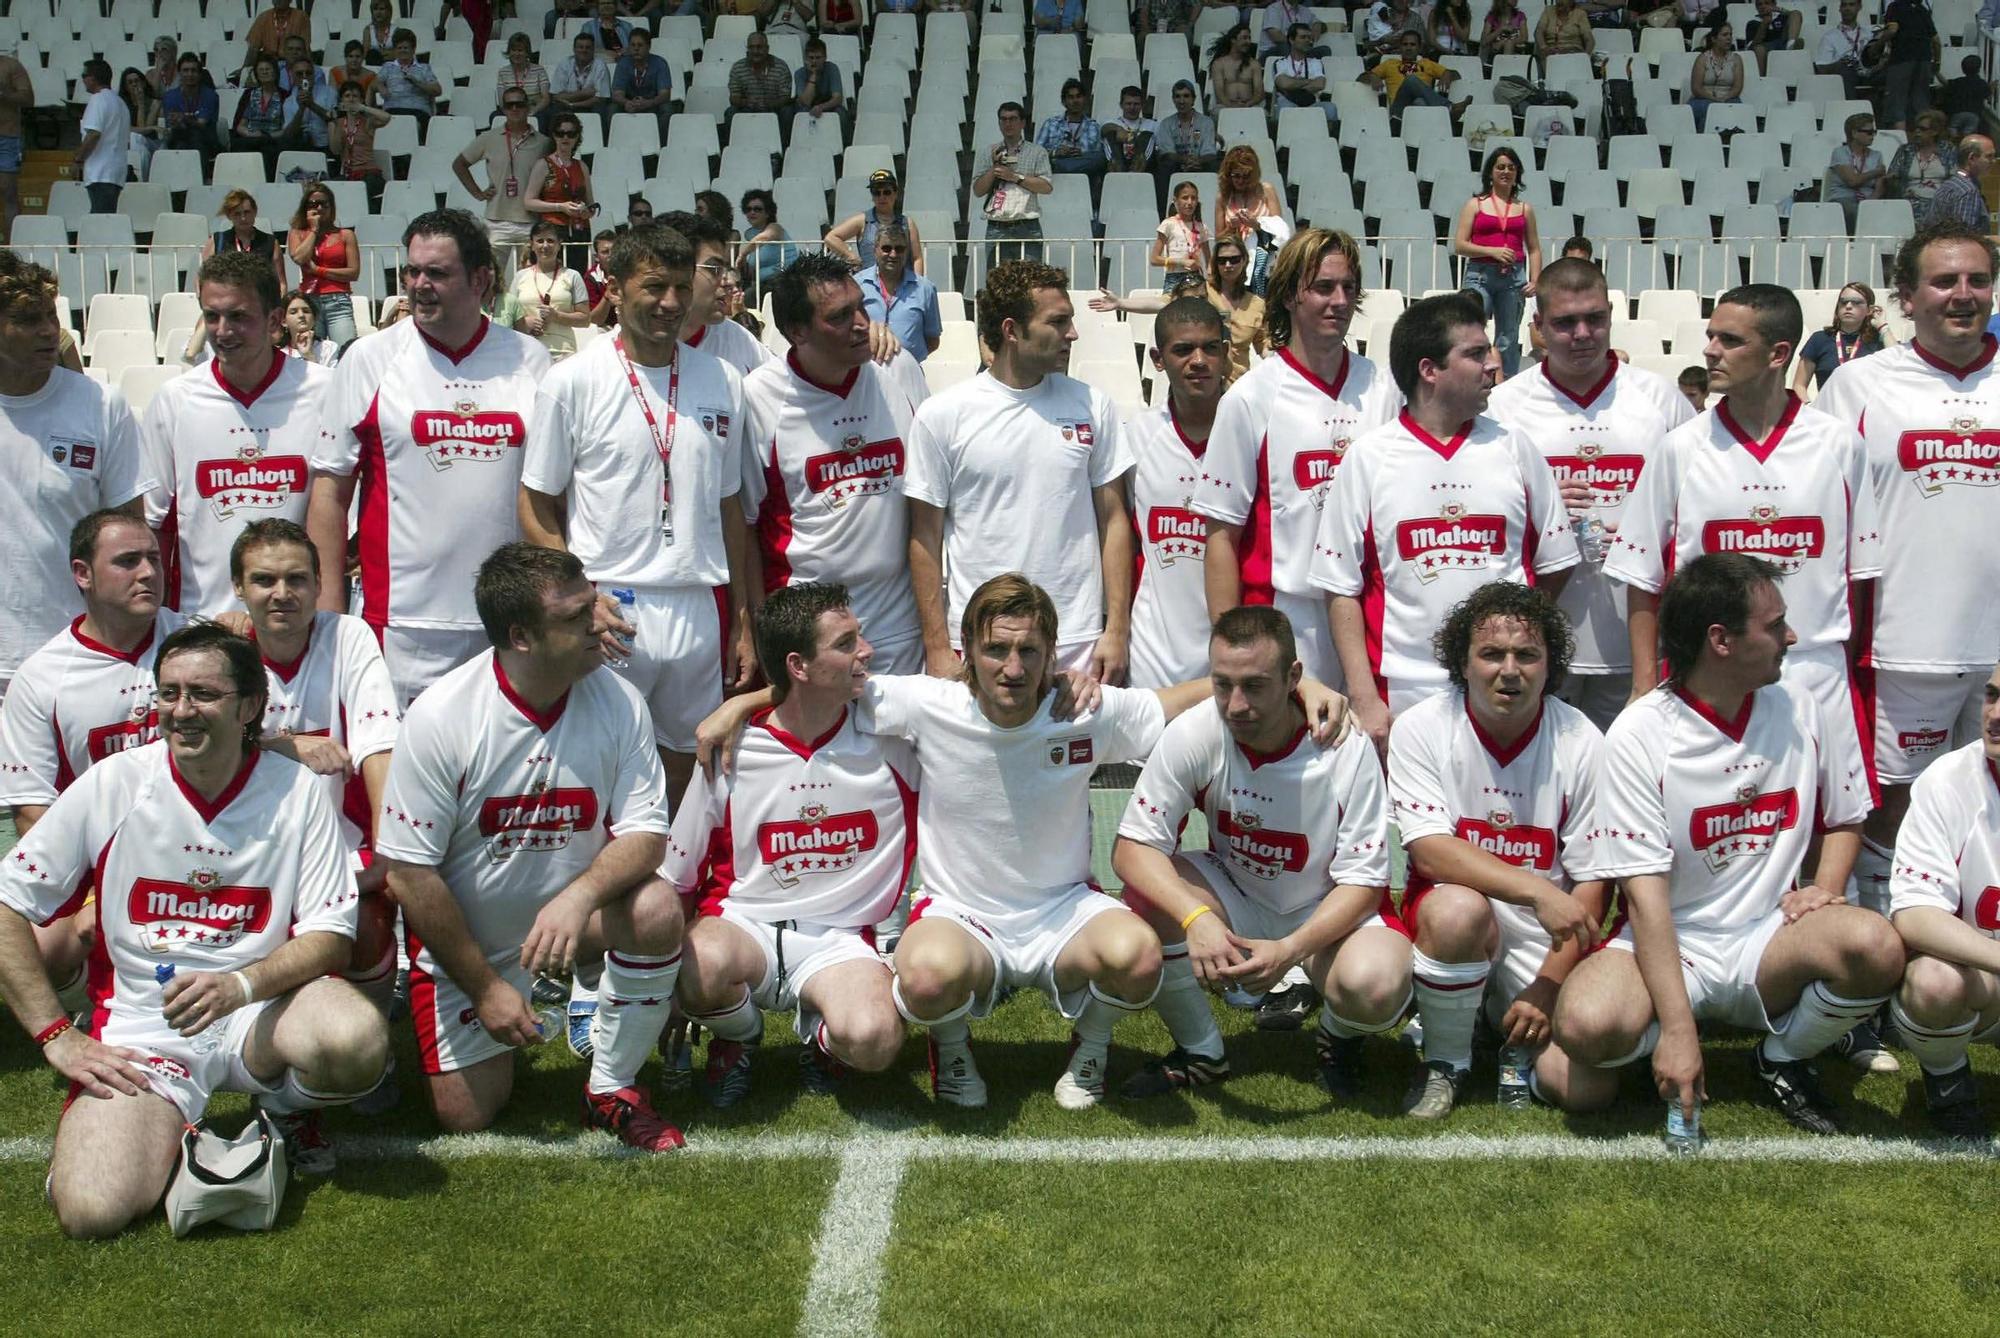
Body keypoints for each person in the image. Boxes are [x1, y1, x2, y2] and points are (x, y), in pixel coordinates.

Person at [0, 620, 389, 1235]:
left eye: (203, 694)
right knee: (91, 1214)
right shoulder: (116, 782)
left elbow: (330, 934)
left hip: (257, 1011)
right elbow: (5, 903)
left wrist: (240, 984)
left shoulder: (298, 791)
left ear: (251, 707)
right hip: (145, 1028)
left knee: (355, 1040)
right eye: (169, 693)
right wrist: (55, 1036)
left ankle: (284, 1109)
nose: (182, 711)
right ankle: (155, 1132)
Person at [1547, 554, 1901, 1134]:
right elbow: (1645, 899)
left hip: (1770, 940)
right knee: (1587, 1034)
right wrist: (1681, 1034)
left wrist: (1826, 892)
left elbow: (1844, 819)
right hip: (1672, 942)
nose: (1791, 636)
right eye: (1773, 625)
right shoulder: (1640, 734)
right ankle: (1657, 1035)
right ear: (1720, 640)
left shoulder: (1803, 704)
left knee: (1876, 945)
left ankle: (1781, 1058)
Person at [1604, 288, 1883, 1021]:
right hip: (1709, 681)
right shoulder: (1680, 449)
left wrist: (1850, 676)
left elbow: (1864, 577)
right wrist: (1643, 685)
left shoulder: (1838, 446)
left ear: (1779, 353)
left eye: (1730, 340)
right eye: (1711, 336)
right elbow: (1642, 579)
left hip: (1813, 668)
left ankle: (1827, 1009)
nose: (1712, 351)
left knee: (1830, 852)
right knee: (1713, 835)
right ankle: (1681, 975)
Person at [376, 543, 685, 1147]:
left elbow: (647, 835)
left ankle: (611, 1086)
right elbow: (409, 875)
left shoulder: (619, 700)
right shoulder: (442, 716)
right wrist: (487, 988)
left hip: (575, 921)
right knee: (465, 1116)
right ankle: (466, 1008)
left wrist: (580, 897)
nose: (600, 622)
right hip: (474, 946)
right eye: (575, 617)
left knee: (655, 909)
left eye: (591, 603)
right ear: (521, 637)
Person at [1113, 601, 1397, 1098]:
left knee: (1377, 986)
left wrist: (1290, 952)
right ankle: (1202, 1052)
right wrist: (1194, 919)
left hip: (1324, 912)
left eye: (1254, 685)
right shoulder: (1199, 730)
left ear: (1294, 678)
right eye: (1222, 684)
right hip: (1238, 896)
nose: (1236, 704)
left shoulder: (1341, 747)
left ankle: (1338, 1034)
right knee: (1142, 902)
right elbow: (1132, 848)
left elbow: (1366, 884)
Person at [520, 222, 754, 804]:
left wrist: (746, 619)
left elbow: (730, 510)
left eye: (680, 286)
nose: (670, 303)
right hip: (611, 604)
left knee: (687, 763)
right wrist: (579, 597)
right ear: (615, 289)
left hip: (697, 604)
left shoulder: (723, 380)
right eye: (654, 286)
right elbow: (534, 504)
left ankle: (666, 888)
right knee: (597, 764)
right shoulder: (571, 381)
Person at [1815, 223, 2000, 957]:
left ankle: (1969, 948)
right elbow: (1825, 501)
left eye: (1977, 281)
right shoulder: (1859, 384)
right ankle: (1892, 949)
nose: (1963, 295)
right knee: (1895, 807)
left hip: (1999, 657)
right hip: (1902, 643)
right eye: (1944, 281)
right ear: (1906, 296)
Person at [667, 582, 914, 1101]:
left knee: (875, 1042)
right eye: (846, 643)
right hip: (743, 926)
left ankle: (823, 1040)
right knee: (691, 966)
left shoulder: (897, 739)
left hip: (841, 937)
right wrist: (666, 990)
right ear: (799, 666)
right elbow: (677, 874)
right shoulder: (733, 747)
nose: (866, 652)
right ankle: (739, 1036)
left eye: (859, 637)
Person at [1378, 582, 1608, 1117]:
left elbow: (1595, 884)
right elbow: (1432, 853)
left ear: (1551, 664)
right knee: (1458, 907)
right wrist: (1534, 889)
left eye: (1527, 654)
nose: (1510, 669)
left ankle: (1483, 1016)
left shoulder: (1583, 741)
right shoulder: (1422, 727)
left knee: (1582, 1091)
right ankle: (1446, 1061)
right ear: (1464, 661)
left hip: (1548, 936)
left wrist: (1548, 989)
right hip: (1457, 919)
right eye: (1491, 654)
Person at [1314, 291, 1580, 751]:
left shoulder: (1515, 448)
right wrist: (1363, 695)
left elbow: (1556, 563)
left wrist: (1508, 633)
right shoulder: (1369, 458)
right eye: (1474, 354)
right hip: (1403, 691)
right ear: (1429, 370)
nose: (1492, 365)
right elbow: (1340, 588)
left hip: (1505, 690)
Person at [309, 209, 553, 709]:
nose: (419, 285)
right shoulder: (368, 358)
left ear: (481, 279)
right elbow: (330, 495)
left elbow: (550, 495)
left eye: (437, 273)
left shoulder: (531, 359)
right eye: (411, 272)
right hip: (400, 627)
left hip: (507, 623)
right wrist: (329, 613)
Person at [1487, 258, 1695, 732]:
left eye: (1594, 319)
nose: (1582, 333)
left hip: (1635, 640)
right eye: (1564, 322)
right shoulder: (1505, 406)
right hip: (1536, 641)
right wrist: (1536, 501)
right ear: (1537, 326)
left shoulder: (1660, 400)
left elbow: (1696, 506)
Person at [908, 261, 1135, 682]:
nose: (1073, 333)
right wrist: (937, 647)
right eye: (1058, 322)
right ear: (1011, 330)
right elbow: (924, 537)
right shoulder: (942, 416)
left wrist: (1116, 629)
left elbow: (1115, 520)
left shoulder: (1093, 406)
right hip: (980, 640)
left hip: (1077, 638)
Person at [1195, 229, 1400, 692]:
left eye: (1348, 287)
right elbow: (1221, 535)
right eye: (1324, 287)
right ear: (1288, 296)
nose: (1340, 301)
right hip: (1287, 619)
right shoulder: (1250, 398)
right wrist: (1232, 646)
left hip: (1371, 613)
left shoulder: (1385, 389)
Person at [230, 520, 403, 1053]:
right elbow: (193, 755)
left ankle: (370, 1042)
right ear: (239, 587)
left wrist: (392, 849)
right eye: (264, 580)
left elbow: (378, 745)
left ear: (319, 581)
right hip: (245, 856)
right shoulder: (221, 649)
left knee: (370, 925)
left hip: (340, 850)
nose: (281, 594)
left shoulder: (348, 636)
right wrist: (285, 746)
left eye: (297, 579)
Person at [0, 512, 184, 1002]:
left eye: (153, 558)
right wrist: (107, 884)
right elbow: (33, 813)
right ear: (82, 573)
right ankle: (83, 993)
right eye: (127, 561)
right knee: (33, 947)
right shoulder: (42, 679)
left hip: (200, 846)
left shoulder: (197, 644)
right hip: (93, 865)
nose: (148, 572)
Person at [738, 253, 928, 690]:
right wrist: (754, 630)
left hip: (899, 619)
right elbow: (745, 526)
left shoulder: (896, 368)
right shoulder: (759, 397)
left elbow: (928, 500)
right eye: (841, 316)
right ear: (797, 331)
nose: (862, 323)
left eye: (861, 307)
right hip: (810, 628)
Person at [141, 254, 328, 616]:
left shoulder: (324, 391)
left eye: (238, 316)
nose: (222, 331)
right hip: (200, 624)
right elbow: (155, 525)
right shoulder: (174, 401)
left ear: (274, 320)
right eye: (212, 316)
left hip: (297, 627)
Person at [0, 255, 148, 705]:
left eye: (52, 315)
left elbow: (130, 536)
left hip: (78, 655)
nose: (49, 331)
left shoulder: (102, 406)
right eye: (29, 320)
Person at [1883, 659, 2000, 1137]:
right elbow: (1914, 915)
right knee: (1933, 982)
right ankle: (1947, 1077)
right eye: (1991, 695)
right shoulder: (1948, 779)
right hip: (1988, 987)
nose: (1995, 714)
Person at [1123, 299, 1232, 689]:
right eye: (1183, 349)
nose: (1198, 360)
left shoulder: (1252, 434)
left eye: (1210, 347)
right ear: (1157, 358)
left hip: (1234, 652)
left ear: (1226, 353)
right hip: (1154, 651)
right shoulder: (1137, 437)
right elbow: (1121, 539)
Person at [1092, 231, 1269, 380]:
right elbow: (1162, 303)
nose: (1228, 265)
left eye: (1234, 259)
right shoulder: (1200, 290)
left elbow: (1263, 346)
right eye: (1222, 261)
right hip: (1203, 382)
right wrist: (1121, 303)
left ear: (1245, 260)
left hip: (1238, 385)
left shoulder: (1257, 304)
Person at [1452, 148, 1541, 381]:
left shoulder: (1524, 209)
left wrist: (1536, 280)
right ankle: (1470, 376)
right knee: (1471, 328)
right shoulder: (1475, 205)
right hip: (1480, 274)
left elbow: (1534, 247)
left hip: (1513, 278)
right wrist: (1492, 251)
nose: (1506, 171)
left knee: (1508, 336)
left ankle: (1505, 384)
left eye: (1511, 167)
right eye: (1500, 167)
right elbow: (1460, 245)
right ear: (1490, 172)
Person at [454, 93, 552, 278]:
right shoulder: (488, 138)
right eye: (509, 105)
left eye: (519, 104)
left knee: (530, 281)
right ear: (503, 108)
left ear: (529, 107)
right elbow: (459, 164)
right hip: (496, 220)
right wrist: (477, 193)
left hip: (530, 221)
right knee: (490, 278)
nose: (515, 109)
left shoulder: (544, 143)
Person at [972, 102, 1053, 270]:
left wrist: (1015, 177)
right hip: (997, 225)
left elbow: (1046, 186)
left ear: (1022, 123)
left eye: (1013, 119)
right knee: (997, 284)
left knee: (1032, 283)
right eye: (1003, 119)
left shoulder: (1038, 152)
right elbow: (978, 190)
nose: (1008, 124)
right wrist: (994, 169)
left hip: (1027, 224)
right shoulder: (988, 152)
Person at [286, 184, 359, 349]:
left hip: (338, 301)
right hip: (309, 301)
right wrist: (313, 230)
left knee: (345, 351)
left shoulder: (345, 235)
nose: (319, 208)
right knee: (310, 353)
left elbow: (353, 273)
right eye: (313, 204)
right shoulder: (297, 233)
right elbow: (299, 257)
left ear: (331, 207)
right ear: (305, 207)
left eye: (324, 204)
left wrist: (318, 270)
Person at [857, 224, 943, 363]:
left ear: (906, 252)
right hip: (867, 371)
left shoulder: (925, 289)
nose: (893, 254)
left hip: (909, 374)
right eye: (886, 248)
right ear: (875, 250)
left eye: (899, 249)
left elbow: (932, 340)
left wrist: (905, 361)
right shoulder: (857, 285)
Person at [1791, 284, 1892, 395]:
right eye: (1843, 302)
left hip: (1865, 410)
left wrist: (1883, 327)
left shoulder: (1877, 341)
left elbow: (1898, 362)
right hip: (1827, 410)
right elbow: (1799, 385)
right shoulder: (1819, 339)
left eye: (1856, 302)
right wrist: (1810, 407)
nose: (1848, 306)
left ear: (1869, 310)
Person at [511, 220, 591, 359]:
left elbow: (585, 319)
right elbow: (509, 316)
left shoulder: (572, 276)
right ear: (532, 245)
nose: (545, 246)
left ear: (559, 244)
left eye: (550, 240)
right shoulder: (520, 276)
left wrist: (557, 316)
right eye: (540, 241)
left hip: (563, 352)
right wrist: (525, 323)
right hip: (526, 352)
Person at [1212, 145, 1284, 294]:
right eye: (1236, 175)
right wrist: (1232, 227)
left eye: (1245, 176)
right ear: (1228, 174)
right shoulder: (1223, 198)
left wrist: (1256, 224)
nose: (1240, 180)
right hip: (1235, 266)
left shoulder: (1267, 191)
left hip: (1264, 264)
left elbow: (1280, 229)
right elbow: (1219, 238)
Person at [826, 169, 925, 277]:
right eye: (877, 193)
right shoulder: (862, 221)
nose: (882, 197)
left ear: (895, 193)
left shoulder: (908, 223)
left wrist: (917, 284)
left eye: (887, 192)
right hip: (870, 285)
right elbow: (831, 238)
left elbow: (917, 258)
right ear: (872, 196)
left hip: (903, 285)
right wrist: (851, 257)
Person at [524, 111, 596, 252]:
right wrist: (560, 207)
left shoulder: (582, 166)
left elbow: (591, 205)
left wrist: (586, 211)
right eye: (560, 133)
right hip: (552, 231)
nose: (565, 137)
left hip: (579, 229)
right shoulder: (543, 164)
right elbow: (528, 202)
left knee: (578, 272)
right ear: (554, 135)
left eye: (571, 133)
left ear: (577, 137)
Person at [1365, 30, 1466, 122]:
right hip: (1398, 110)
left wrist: (1447, 73)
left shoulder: (1427, 63)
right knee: (1411, 79)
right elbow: (1360, 78)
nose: (1408, 48)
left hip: (1422, 109)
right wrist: (1372, 75)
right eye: (1405, 44)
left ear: (1419, 48)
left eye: (1412, 44)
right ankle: (1448, 109)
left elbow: (1457, 75)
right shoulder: (1390, 64)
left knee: (1420, 101)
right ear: (1400, 47)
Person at [1036, 78, 1106, 207]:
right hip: (1056, 172)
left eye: (1078, 96)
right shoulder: (1051, 123)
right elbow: (1036, 153)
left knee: (1100, 157)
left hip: (1082, 174)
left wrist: (1082, 153)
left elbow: (1096, 157)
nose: (1075, 101)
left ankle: (1064, 166)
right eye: (1071, 97)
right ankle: (1062, 164)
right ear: (1064, 101)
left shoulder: (1093, 126)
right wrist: (1057, 152)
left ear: (1084, 99)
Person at [1151, 80, 1219, 209]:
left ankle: (1214, 209)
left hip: (1200, 163)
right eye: (1178, 96)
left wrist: (1197, 161)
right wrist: (1185, 160)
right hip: (1176, 164)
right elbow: (1167, 153)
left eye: (1186, 96)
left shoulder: (1206, 122)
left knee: (1214, 165)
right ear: (1173, 99)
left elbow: (1209, 152)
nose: (1182, 101)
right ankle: (1163, 211)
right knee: (1163, 167)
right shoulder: (1166, 123)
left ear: (1194, 99)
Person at [74, 59, 128, 215]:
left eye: (84, 75)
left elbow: (93, 134)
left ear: (93, 78)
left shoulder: (98, 99)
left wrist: (78, 159)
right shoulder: (120, 102)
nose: (83, 79)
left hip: (100, 172)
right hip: (116, 172)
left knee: (99, 223)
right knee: (106, 219)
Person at [1887, 110, 1957, 226]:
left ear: (1935, 131)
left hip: (1939, 199)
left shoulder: (1948, 149)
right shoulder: (1906, 150)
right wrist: (1898, 186)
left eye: (1922, 129)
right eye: (1916, 129)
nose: (1917, 132)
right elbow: (1892, 173)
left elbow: (1955, 177)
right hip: (1910, 199)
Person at [329, 81, 392, 209]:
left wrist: (363, 108)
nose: (351, 99)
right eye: (347, 96)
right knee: (328, 189)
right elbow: (335, 150)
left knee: (360, 190)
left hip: (369, 173)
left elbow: (386, 117)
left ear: (361, 99)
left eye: (355, 96)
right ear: (341, 100)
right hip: (349, 174)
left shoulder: (367, 122)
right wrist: (335, 125)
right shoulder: (336, 123)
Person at [201, 189, 284, 284]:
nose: (243, 218)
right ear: (229, 216)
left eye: (247, 212)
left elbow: (281, 283)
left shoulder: (270, 242)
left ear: (255, 212)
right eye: (237, 214)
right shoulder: (217, 241)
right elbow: (203, 279)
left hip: (260, 297)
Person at [1880, 0, 1938, 132]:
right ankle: (1925, 140)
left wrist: (1877, 46)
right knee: (1921, 102)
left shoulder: (1895, 6)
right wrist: (1937, 62)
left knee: (1897, 102)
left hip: (1902, 58)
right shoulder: (1923, 10)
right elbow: (1936, 40)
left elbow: (1892, 30)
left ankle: (1899, 142)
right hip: (1924, 60)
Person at [1825, 112, 1885, 233]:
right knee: (1853, 211)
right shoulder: (1840, 153)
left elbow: (1880, 187)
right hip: (1843, 198)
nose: (1872, 135)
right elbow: (1852, 181)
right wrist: (1875, 172)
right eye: (1868, 132)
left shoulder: (1876, 155)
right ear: (1854, 133)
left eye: (1874, 132)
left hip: (1868, 199)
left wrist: (1869, 204)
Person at [230, 57, 290, 178]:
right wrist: (251, 134)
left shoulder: (285, 95)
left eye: (268, 69)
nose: (264, 72)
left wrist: (268, 136)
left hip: (274, 138)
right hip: (251, 137)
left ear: (275, 72)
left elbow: (287, 127)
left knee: (269, 150)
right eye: (261, 70)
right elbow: (240, 126)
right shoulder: (249, 94)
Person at [738, 188, 800, 304]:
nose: (752, 212)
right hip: (764, 285)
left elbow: (764, 237)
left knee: (750, 296)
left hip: (785, 281)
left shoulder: (775, 228)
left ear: (767, 213)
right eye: (748, 209)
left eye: (757, 209)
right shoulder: (750, 234)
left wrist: (743, 254)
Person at [1815, 0, 1887, 99]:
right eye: (1844, 5)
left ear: (1859, 7)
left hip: (1869, 73)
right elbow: (1821, 68)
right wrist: (1840, 64)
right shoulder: (1829, 37)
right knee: (1846, 71)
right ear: (1840, 9)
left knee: (1893, 71)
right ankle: (1852, 108)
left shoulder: (1869, 34)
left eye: (1852, 5)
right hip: (1846, 74)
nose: (1847, 8)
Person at [611, 27, 674, 139]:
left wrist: (650, 103)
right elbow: (617, 94)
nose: (636, 49)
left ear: (648, 47)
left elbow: (665, 94)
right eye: (633, 45)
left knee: (667, 108)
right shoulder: (623, 63)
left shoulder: (660, 63)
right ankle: (614, 142)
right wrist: (626, 102)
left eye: (640, 45)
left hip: (652, 103)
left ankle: (660, 143)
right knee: (612, 108)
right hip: (629, 103)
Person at [1926, 134, 1994, 235]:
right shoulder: (1968, 191)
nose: (1993, 161)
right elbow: (1964, 236)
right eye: (1989, 156)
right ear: (1972, 158)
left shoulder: (1948, 184)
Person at [727, 33, 792, 138]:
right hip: (748, 108)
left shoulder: (781, 67)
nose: (755, 51)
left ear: (767, 48)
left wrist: (769, 104)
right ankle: (734, 145)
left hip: (774, 108)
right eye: (752, 47)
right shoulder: (738, 68)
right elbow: (733, 98)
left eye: (759, 47)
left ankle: (784, 147)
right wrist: (747, 102)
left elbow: (786, 98)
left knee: (787, 111)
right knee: (731, 112)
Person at [161, 53, 221, 168]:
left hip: (206, 140)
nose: (190, 74)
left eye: (193, 70)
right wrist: (183, 121)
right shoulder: (170, 96)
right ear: (179, 73)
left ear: (199, 74)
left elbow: (202, 124)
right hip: (179, 137)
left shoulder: (210, 95)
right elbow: (173, 125)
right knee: (180, 142)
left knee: (195, 136)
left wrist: (183, 118)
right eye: (185, 70)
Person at [375, 29, 442, 128]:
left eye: (406, 48)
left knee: (415, 125)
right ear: (394, 50)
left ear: (413, 49)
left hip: (418, 110)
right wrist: (382, 89)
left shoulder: (424, 68)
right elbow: (376, 82)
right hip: (393, 109)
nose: (402, 50)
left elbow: (437, 90)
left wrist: (417, 82)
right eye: (399, 48)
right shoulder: (388, 67)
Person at [1687, 23, 1743, 132]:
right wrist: (1715, 100)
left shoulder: (1736, 59)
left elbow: (1737, 87)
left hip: (1729, 98)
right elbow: (1696, 88)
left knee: (1735, 108)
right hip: (1703, 98)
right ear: (1714, 39)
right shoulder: (1702, 58)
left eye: (1730, 35)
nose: (1729, 38)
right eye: (1725, 35)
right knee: (1709, 109)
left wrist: (1724, 99)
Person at [1153, 180, 1207, 285]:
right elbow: (1154, 259)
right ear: (1175, 200)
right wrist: (1181, 262)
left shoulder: (1201, 227)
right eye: (1185, 198)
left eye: (1193, 198)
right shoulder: (1168, 224)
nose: (1189, 202)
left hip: (1195, 277)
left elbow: (1208, 259)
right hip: (1174, 278)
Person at [790, 37, 844, 141]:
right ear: (806, 58)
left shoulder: (832, 68)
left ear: (825, 57)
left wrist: (821, 107)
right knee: (802, 112)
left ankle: (845, 145)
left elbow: (837, 98)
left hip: (827, 105)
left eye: (818, 57)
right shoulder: (799, 73)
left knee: (841, 112)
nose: (814, 61)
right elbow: (806, 101)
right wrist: (813, 75)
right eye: (811, 57)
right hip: (807, 107)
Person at [1101, 85, 1156, 179]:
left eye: (1136, 104)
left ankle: (1136, 171)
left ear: (1142, 105)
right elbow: (1103, 129)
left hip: (1143, 165)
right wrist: (1118, 129)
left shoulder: (1153, 125)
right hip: (1119, 159)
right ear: (1121, 105)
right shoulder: (1112, 122)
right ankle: (1117, 172)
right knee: (1110, 134)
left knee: (1147, 135)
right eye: (1128, 104)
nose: (1132, 107)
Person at [1208, 25, 1266, 111]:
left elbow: (1259, 92)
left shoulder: (1254, 64)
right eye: (1244, 38)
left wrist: (1248, 104)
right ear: (1233, 40)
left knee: (1262, 114)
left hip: (1249, 106)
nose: (1248, 42)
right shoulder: (1219, 64)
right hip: (1225, 106)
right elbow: (1219, 93)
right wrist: (1232, 106)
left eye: (1249, 38)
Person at [495, 32, 551, 121]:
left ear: (527, 53)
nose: (517, 54)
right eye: (513, 50)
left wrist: (533, 111)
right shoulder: (503, 72)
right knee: (494, 116)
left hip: (534, 109)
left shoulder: (539, 70)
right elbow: (502, 101)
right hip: (511, 108)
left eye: (520, 50)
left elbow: (545, 98)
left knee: (542, 118)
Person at [119, 67, 162, 181]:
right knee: (136, 140)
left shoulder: (155, 103)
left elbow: (144, 131)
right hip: (132, 144)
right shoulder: (121, 104)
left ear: (143, 82)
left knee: (136, 137)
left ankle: (142, 180)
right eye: (130, 82)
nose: (134, 84)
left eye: (137, 81)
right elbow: (125, 128)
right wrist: (150, 127)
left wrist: (141, 103)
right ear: (125, 87)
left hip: (152, 143)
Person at [242, 0, 310, 72]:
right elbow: (253, 49)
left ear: (290, 1)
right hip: (268, 63)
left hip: (292, 63)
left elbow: (304, 48)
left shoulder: (301, 17)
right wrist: (244, 70)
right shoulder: (263, 17)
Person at [279, 290, 339, 367]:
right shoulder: (280, 354)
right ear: (284, 321)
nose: (301, 315)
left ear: (314, 318)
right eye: (293, 312)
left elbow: (330, 378)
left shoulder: (328, 348)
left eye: (306, 311)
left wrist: (309, 356)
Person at [1741, 0, 1801, 74]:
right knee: (1758, 49)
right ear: (1756, 7)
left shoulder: (1781, 17)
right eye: (1760, 4)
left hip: (1783, 42)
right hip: (1766, 47)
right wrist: (1764, 24)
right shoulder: (1752, 23)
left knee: (1796, 13)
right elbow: (1752, 45)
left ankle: (1791, 45)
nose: (1763, 6)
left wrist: (1779, 9)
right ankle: (1762, 79)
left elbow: (1795, 16)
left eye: (1767, 3)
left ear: (1773, 4)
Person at [1534, 0, 1595, 66]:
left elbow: (1589, 40)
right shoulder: (1548, 11)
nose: (1559, 2)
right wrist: (1544, 47)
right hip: (1550, 53)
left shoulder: (1580, 14)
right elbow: (1539, 31)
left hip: (1573, 53)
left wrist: (1584, 58)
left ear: (1570, 2)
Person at [1943, 53, 1988, 137]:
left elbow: (1945, 83)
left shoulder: (1958, 82)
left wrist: (1937, 73)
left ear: (1963, 69)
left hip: (1958, 112)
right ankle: (1967, 145)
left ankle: (1954, 142)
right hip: (1974, 114)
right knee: (1969, 134)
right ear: (1979, 69)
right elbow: (1987, 95)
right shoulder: (1982, 83)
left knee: (1953, 128)